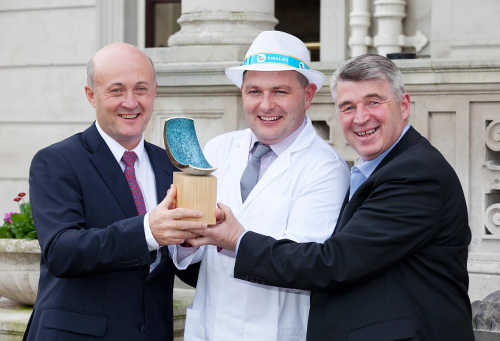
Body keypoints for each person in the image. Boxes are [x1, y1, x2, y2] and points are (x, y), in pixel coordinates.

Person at [191, 54, 474, 340]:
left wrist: (237, 240)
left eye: (374, 102)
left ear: (403, 106)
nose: (361, 117)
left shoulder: (415, 174)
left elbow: (333, 263)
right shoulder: (383, 168)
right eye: (348, 107)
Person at [170, 31, 350, 340]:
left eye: (280, 91)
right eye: (254, 91)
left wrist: (234, 239)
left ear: (307, 96)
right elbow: (192, 258)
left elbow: (303, 263)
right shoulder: (217, 150)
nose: (266, 105)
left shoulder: (326, 168)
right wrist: (184, 237)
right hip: (211, 328)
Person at [24, 43, 206, 341]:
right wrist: (149, 231)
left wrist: (187, 246)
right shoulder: (56, 161)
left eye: (141, 89)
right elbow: (61, 251)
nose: (131, 102)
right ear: (90, 95)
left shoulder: (169, 165)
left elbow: (182, 271)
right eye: (116, 90)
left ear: (155, 92)